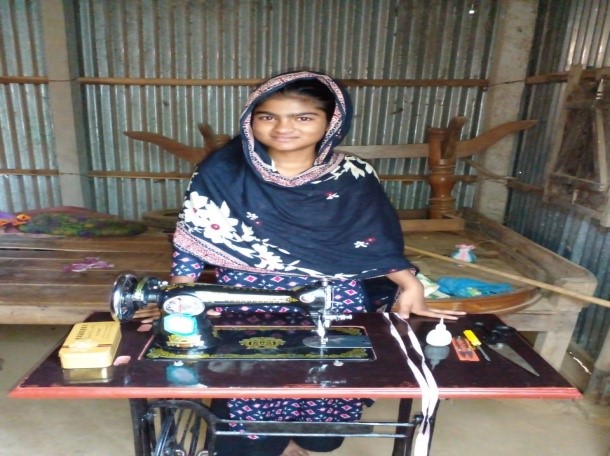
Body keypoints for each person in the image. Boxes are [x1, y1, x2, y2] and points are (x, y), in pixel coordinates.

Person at [170, 70, 463, 456]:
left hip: (333, 297)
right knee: (249, 381)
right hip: (245, 295)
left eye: (303, 117)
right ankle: (266, 444)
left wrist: (410, 284)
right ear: (249, 119)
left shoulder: (353, 174)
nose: (283, 127)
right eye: (268, 116)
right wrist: (178, 296)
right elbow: (193, 237)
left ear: (331, 122)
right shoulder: (222, 170)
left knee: (326, 391)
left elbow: (372, 236)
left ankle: (302, 439)